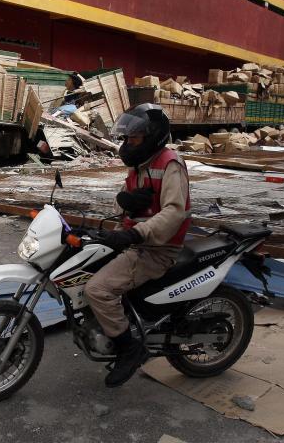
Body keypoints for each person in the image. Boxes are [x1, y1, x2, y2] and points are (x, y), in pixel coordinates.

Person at [84, 103, 191, 387]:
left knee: (97, 289)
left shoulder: (170, 164)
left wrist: (134, 234)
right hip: (137, 240)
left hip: (157, 248)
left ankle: (130, 349)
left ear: (152, 135)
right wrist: (124, 201)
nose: (128, 144)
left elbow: (173, 213)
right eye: (126, 138)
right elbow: (126, 194)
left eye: (134, 138)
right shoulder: (140, 165)